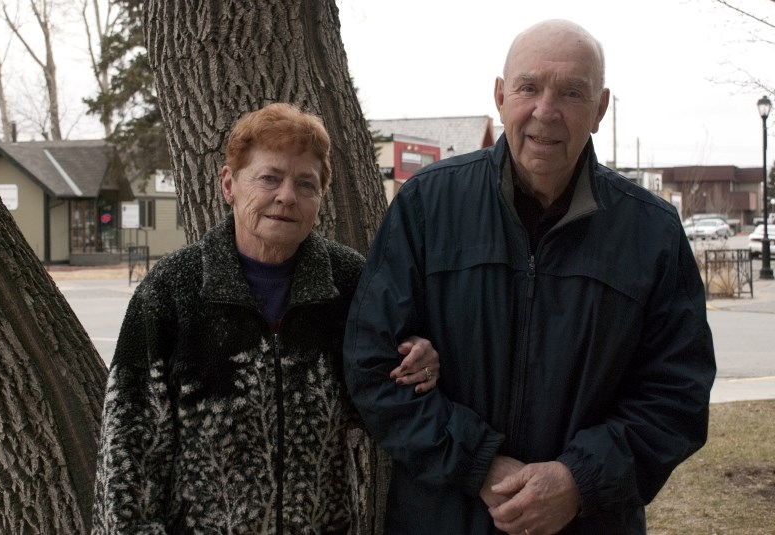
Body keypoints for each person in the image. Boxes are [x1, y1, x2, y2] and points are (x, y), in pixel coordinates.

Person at [343, 19, 716, 535]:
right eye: (528, 87)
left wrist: (578, 481)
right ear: (500, 96)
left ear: (601, 108)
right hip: (444, 518)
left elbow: (678, 393)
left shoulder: (651, 231)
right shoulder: (428, 205)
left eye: (571, 92)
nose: (546, 111)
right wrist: (479, 465)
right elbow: (372, 363)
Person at [91, 103, 440, 533]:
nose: (287, 196)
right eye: (269, 178)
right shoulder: (172, 292)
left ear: (319, 198)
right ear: (229, 184)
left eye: (305, 183)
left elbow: (389, 392)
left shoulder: (350, 285)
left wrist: (421, 355)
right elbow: (127, 462)